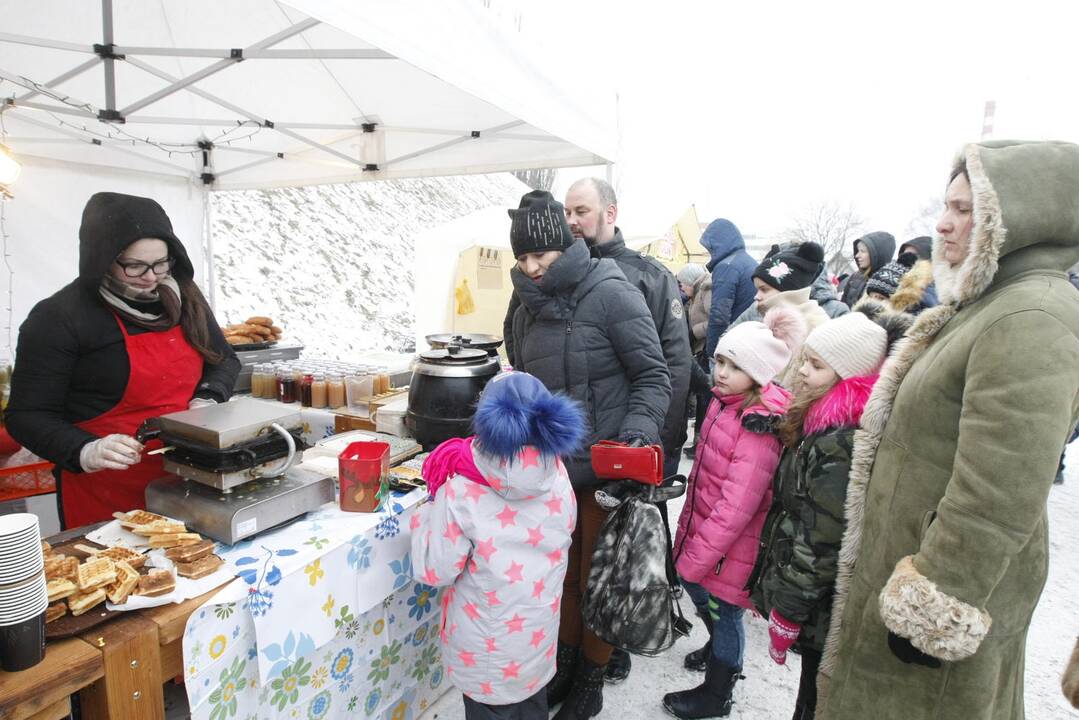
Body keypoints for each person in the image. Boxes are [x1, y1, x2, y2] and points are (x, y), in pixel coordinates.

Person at [818, 140, 1079, 720]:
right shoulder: (991, 304)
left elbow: (1001, 489)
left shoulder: (1031, 316)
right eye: (947, 205)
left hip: (933, 608)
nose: (943, 223)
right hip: (902, 567)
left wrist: (934, 604)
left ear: (1023, 217)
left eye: (966, 209)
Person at [506, 189, 671, 720]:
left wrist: (634, 438)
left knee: (597, 578)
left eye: (542, 257)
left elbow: (653, 374)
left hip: (606, 463)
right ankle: (567, 661)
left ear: (565, 247)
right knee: (562, 572)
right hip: (553, 466)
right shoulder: (526, 303)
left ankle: (591, 680)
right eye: (524, 258)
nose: (532, 268)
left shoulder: (611, 291)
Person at [5, 192, 239, 528]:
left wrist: (208, 396)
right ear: (102, 259)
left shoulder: (183, 297)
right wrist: (86, 449)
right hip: (107, 486)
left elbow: (224, 359)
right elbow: (27, 415)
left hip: (190, 475)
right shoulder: (58, 317)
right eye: (135, 266)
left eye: (161, 263)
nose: (151, 277)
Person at [749, 307, 910, 720]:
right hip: (813, 595)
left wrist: (788, 608)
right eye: (804, 359)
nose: (801, 371)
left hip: (822, 603)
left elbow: (820, 538)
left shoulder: (839, 442)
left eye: (816, 365)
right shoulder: (819, 421)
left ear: (849, 377)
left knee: (817, 695)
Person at [564, 177, 691, 684]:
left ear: (610, 213)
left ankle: (611, 649)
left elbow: (673, 366)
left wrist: (652, 448)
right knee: (582, 564)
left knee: (622, 563)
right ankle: (578, 652)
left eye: (582, 210)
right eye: (567, 212)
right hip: (577, 454)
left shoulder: (648, 276)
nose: (573, 221)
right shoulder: (563, 275)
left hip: (630, 451)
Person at [411, 371, 584, 720]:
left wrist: (423, 517)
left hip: (484, 654)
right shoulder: (558, 475)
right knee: (531, 708)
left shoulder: (460, 487)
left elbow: (435, 569)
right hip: (535, 642)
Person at [662, 308, 804, 719]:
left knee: (724, 612)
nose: (720, 372)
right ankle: (719, 649)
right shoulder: (726, 404)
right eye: (720, 361)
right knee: (700, 593)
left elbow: (736, 507)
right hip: (710, 535)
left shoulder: (757, 425)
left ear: (759, 374)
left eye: (734, 366)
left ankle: (718, 692)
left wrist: (698, 555)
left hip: (731, 547)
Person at [749, 242, 831, 387]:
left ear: (788, 290)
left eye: (764, 289)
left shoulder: (816, 325)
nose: (757, 296)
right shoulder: (769, 321)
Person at [699, 219, 757, 361]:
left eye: (710, 248)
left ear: (717, 244)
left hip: (731, 344)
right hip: (749, 340)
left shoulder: (726, 266)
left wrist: (712, 351)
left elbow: (720, 315)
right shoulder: (748, 261)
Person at [676, 263, 715, 460]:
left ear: (692, 281)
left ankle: (701, 441)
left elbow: (714, 319)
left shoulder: (707, 288)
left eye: (683, 284)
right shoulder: (695, 294)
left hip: (706, 348)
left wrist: (693, 332)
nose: (681, 288)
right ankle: (699, 441)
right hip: (699, 348)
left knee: (704, 396)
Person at [837, 231, 895, 308]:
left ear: (877, 255)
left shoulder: (888, 286)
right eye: (857, 251)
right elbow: (842, 307)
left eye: (862, 251)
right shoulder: (855, 277)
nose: (857, 255)